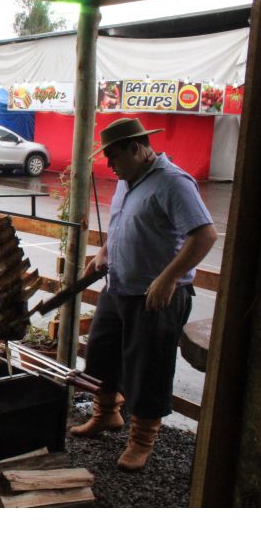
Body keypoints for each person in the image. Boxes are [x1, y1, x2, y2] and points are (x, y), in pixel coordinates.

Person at [70, 117, 217, 472]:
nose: (109, 165)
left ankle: (142, 441)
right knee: (101, 354)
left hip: (156, 296)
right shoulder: (127, 180)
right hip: (118, 287)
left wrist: (169, 278)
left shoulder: (173, 183)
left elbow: (205, 235)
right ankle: (107, 414)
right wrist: (104, 254)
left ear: (136, 148)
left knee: (149, 368)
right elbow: (121, 226)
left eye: (113, 157)